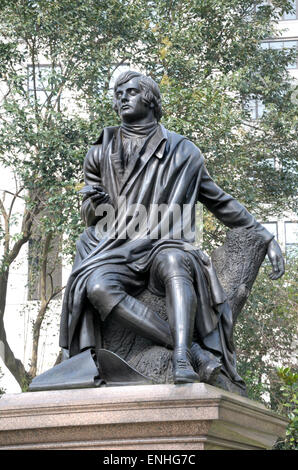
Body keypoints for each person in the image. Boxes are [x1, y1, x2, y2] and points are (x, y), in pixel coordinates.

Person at [59, 71, 284, 387]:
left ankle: (180, 357)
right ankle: (193, 350)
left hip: (164, 242)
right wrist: (95, 204)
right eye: (118, 93)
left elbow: (218, 200)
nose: (122, 97)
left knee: (175, 261)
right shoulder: (100, 151)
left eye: (131, 91)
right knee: (96, 286)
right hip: (115, 247)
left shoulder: (183, 152)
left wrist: (264, 234)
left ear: (149, 98)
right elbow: (90, 215)